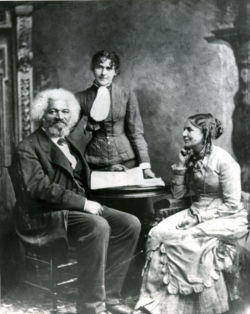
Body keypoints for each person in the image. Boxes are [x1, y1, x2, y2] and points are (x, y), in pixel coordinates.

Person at [9, 88, 141, 314]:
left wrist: (111, 171)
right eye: (53, 111)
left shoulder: (68, 144)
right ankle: (91, 307)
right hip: (44, 215)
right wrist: (82, 204)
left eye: (64, 111)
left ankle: (110, 296)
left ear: (70, 116)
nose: (59, 116)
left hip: (72, 209)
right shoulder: (28, 147)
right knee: (97, 225)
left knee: (130, 224)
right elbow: (38, 188)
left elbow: (79, 177)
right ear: (42, 115)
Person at [134, 113, 249, 314]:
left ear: (205, 133)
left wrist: (199, 219)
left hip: (225, 215)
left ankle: (193, 307)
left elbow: (232, 203)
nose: (184, 133)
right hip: (195, 209)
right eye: (184, 129)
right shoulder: (189, 156)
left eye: (189, 130)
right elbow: (178, 194)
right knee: (157, 233)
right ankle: (155, 302)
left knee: (188, 238)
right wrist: (180, 165)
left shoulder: (224, 160)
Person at [75, 50, 154, 178]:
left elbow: (136, 133)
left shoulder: (126, 95)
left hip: (127, 161)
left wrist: (145, 166)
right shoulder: (81, 97)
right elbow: (68, 131)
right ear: (93, 69)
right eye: (99, 67)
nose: (103, 73)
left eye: (108, 68)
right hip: (95, 162)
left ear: (115, 71)